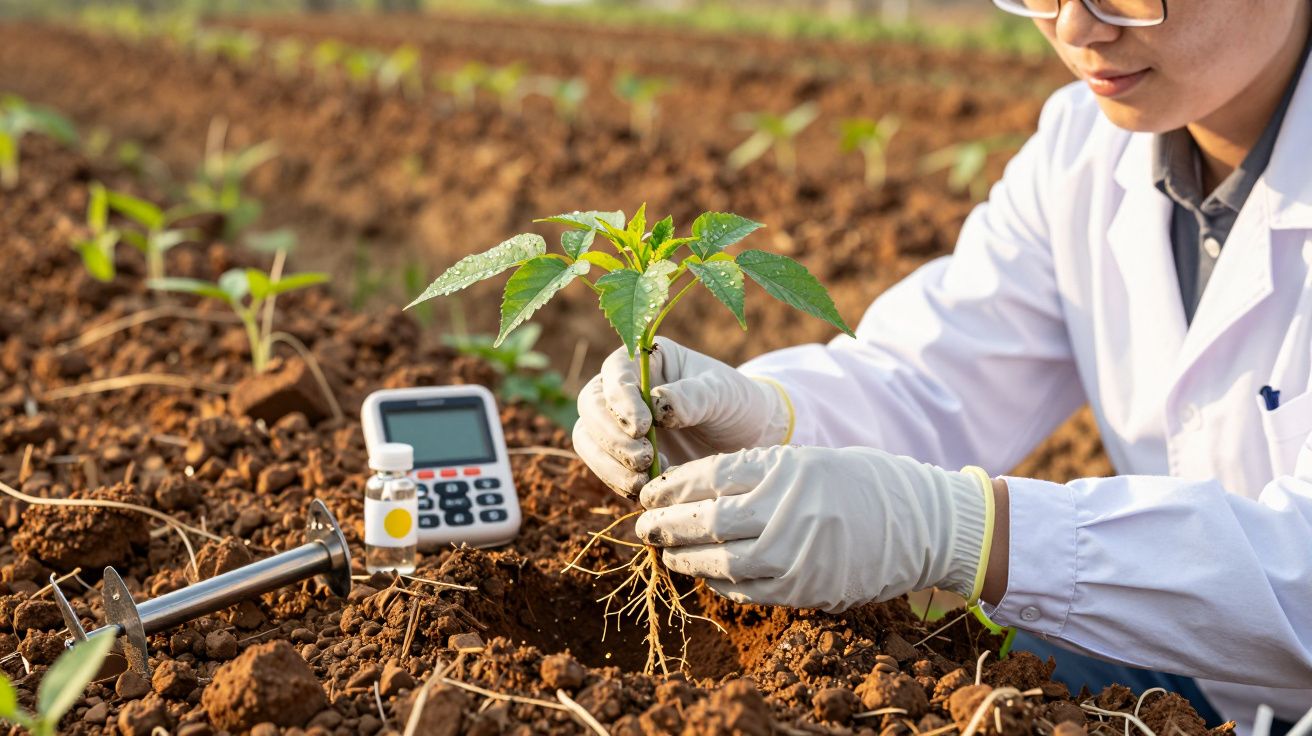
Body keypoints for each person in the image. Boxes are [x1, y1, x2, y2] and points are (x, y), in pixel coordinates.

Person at [572, 0, 1312, 731]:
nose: (1074, 27)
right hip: (1188, 664)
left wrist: (971, 530)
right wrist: (766, 415)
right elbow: (938, 376)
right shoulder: (1083, 147)